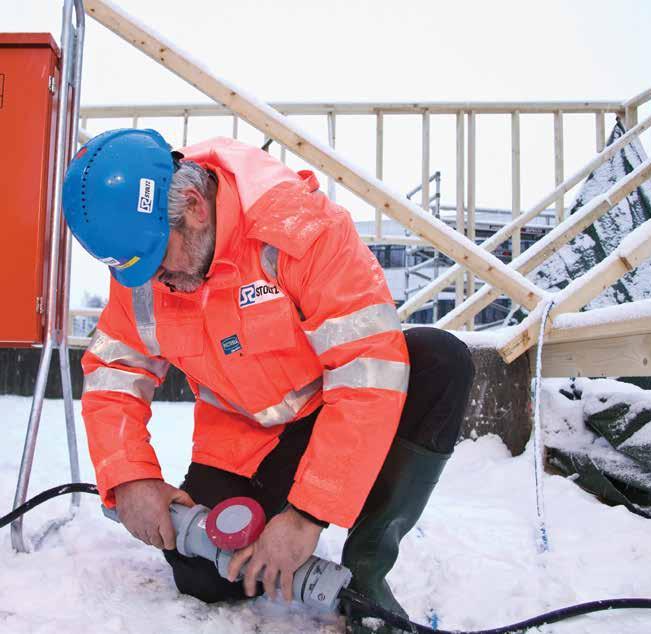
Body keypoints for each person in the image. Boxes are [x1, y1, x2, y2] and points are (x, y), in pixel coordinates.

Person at [62, 129, 475, 627]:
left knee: (439, 361)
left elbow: (368, 369)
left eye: (157, 262)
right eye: (138, 270)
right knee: (203, 576)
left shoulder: (297, 229)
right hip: (244, 441)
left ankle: (366, 567)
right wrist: (131, 477)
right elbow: (114, 370)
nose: (156, 282)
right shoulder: (145, 254)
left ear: (194, 207)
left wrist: (306, 516)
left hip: (337, 419)